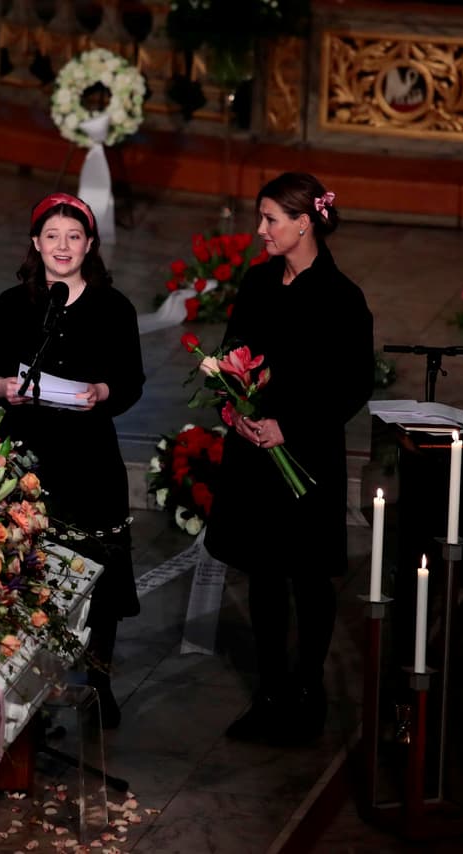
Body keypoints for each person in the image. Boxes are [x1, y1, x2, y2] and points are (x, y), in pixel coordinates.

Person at [203, 173, 374, 745]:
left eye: (271, 219)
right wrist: (238, 409)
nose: (261, 230)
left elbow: (351, 386)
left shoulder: (342, 298)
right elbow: (233, 356)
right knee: (264, 571)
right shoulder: (256, 284)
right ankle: (271, 690)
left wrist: (288, 426)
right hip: (255, 449)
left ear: (304, 222)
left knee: (307, 574)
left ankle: (307, 690)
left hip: (306, 454)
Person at [0, 192, 145, 728]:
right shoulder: (12, 304)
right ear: (36, 243)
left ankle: (98, 683)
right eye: (53, 236)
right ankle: (21, 682)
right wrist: (5, 386)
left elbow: (131, 381)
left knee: (96, 573)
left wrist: (101, 390)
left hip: (88, 455)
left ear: (90, 244)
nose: (63, 245)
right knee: (23, 570)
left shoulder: (113, 308)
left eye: (74, 236)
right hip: (26, 451)